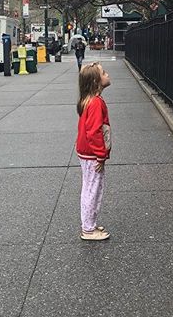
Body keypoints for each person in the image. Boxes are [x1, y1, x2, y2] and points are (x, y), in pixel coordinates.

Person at [76, 62, 111, 241]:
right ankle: (88, 229)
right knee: (93, 189)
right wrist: (101, 155)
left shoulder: (88, 100)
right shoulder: (95, 103)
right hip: (92, 154)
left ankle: (89, 223)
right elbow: (95, 131)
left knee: (90, 187)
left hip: (87, 153)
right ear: (97, 81)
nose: (108, 74)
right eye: (104, 73)